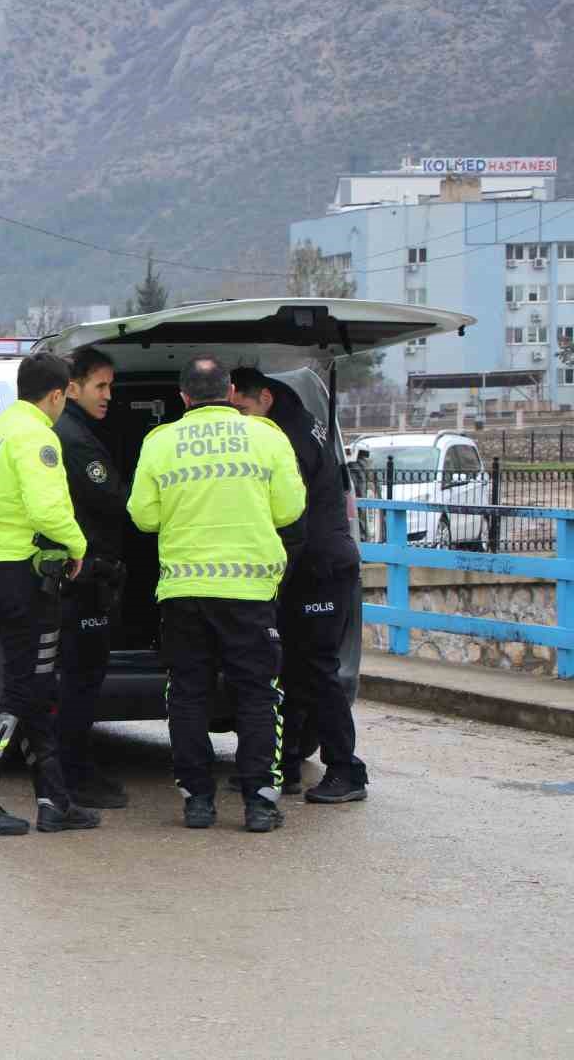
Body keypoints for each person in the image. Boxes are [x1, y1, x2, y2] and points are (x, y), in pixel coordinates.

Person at [127, 355, 306, 833]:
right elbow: (290, 510)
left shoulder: (159, 442)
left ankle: (197, 801)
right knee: (257, 695)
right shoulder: (267, 436)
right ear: (230, 393)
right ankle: (260, 803)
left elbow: (143, 516)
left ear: (183, 398)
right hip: (249, 591)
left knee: (187, 694)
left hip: (184, 592)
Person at [0, 353, 100, 836]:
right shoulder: (37, 436)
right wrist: (78, 546)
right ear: (57, 395)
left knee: (35, 688)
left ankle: (54, 800)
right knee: (21, 690)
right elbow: (47, 508)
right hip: (27, 580)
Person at [231, 367, 367, 804]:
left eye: (243, 408)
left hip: (319, 569)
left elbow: (286, 512)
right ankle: (285, 764)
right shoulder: (295, 419)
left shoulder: (288, 438)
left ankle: (346, 770)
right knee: (288, 668)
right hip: (308, 567)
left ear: (264, 398)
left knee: (316, 670)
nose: (240, 419)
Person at [53, 348, 130, 809]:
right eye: (100, 386)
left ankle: (73, 768)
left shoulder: (76, 431)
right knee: (79, 681)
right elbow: (112, 499)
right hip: (83, 580)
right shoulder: (74, 438)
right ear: (73, 387)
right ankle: (73, 773)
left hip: (85, 577)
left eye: (110, 386)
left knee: (79, 679)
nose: (108, 395)